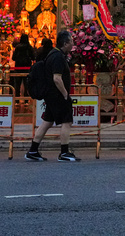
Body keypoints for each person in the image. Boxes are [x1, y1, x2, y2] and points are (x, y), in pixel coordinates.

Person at [25, 30, 78, 162]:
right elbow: (57, 78)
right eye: (71, 41)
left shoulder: (53, 54)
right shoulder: (58, 57)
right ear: (65, 43)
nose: (72, 44)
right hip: (58, 95)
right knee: (67, 121)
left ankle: (33, 150)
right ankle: (64, 152)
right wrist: (65, 94)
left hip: (51, 95)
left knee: (47, 122)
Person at [11, 34, 35, 98]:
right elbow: (33, 57)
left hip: (18, 67)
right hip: (27, 67)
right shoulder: (29, 47)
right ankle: (26, 99)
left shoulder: (17, 47)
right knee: (26, 84)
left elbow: (13, 58)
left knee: (17, 84)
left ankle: (17, 99)